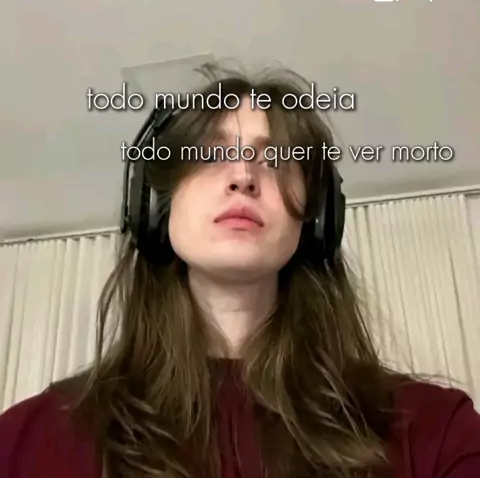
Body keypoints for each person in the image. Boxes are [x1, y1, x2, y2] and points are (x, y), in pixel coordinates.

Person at [0, 63, 479, 478]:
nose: (244, 176)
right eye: (210, 154)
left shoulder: (436, 429)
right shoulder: (27, 439)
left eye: (275, 160)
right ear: (155, 206)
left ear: (316, 220)